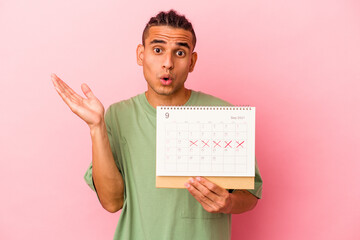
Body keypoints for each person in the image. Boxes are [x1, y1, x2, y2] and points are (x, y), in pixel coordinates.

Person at [52, 9, 262, 240]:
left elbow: (251, 195)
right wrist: (96, 127)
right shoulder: (119, 115)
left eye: (179, 53)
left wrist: (229, 202)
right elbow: (112, 202)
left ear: (191, 62)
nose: (168, 63)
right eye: (158, 50)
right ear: (141, 54)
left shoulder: (223, 115)